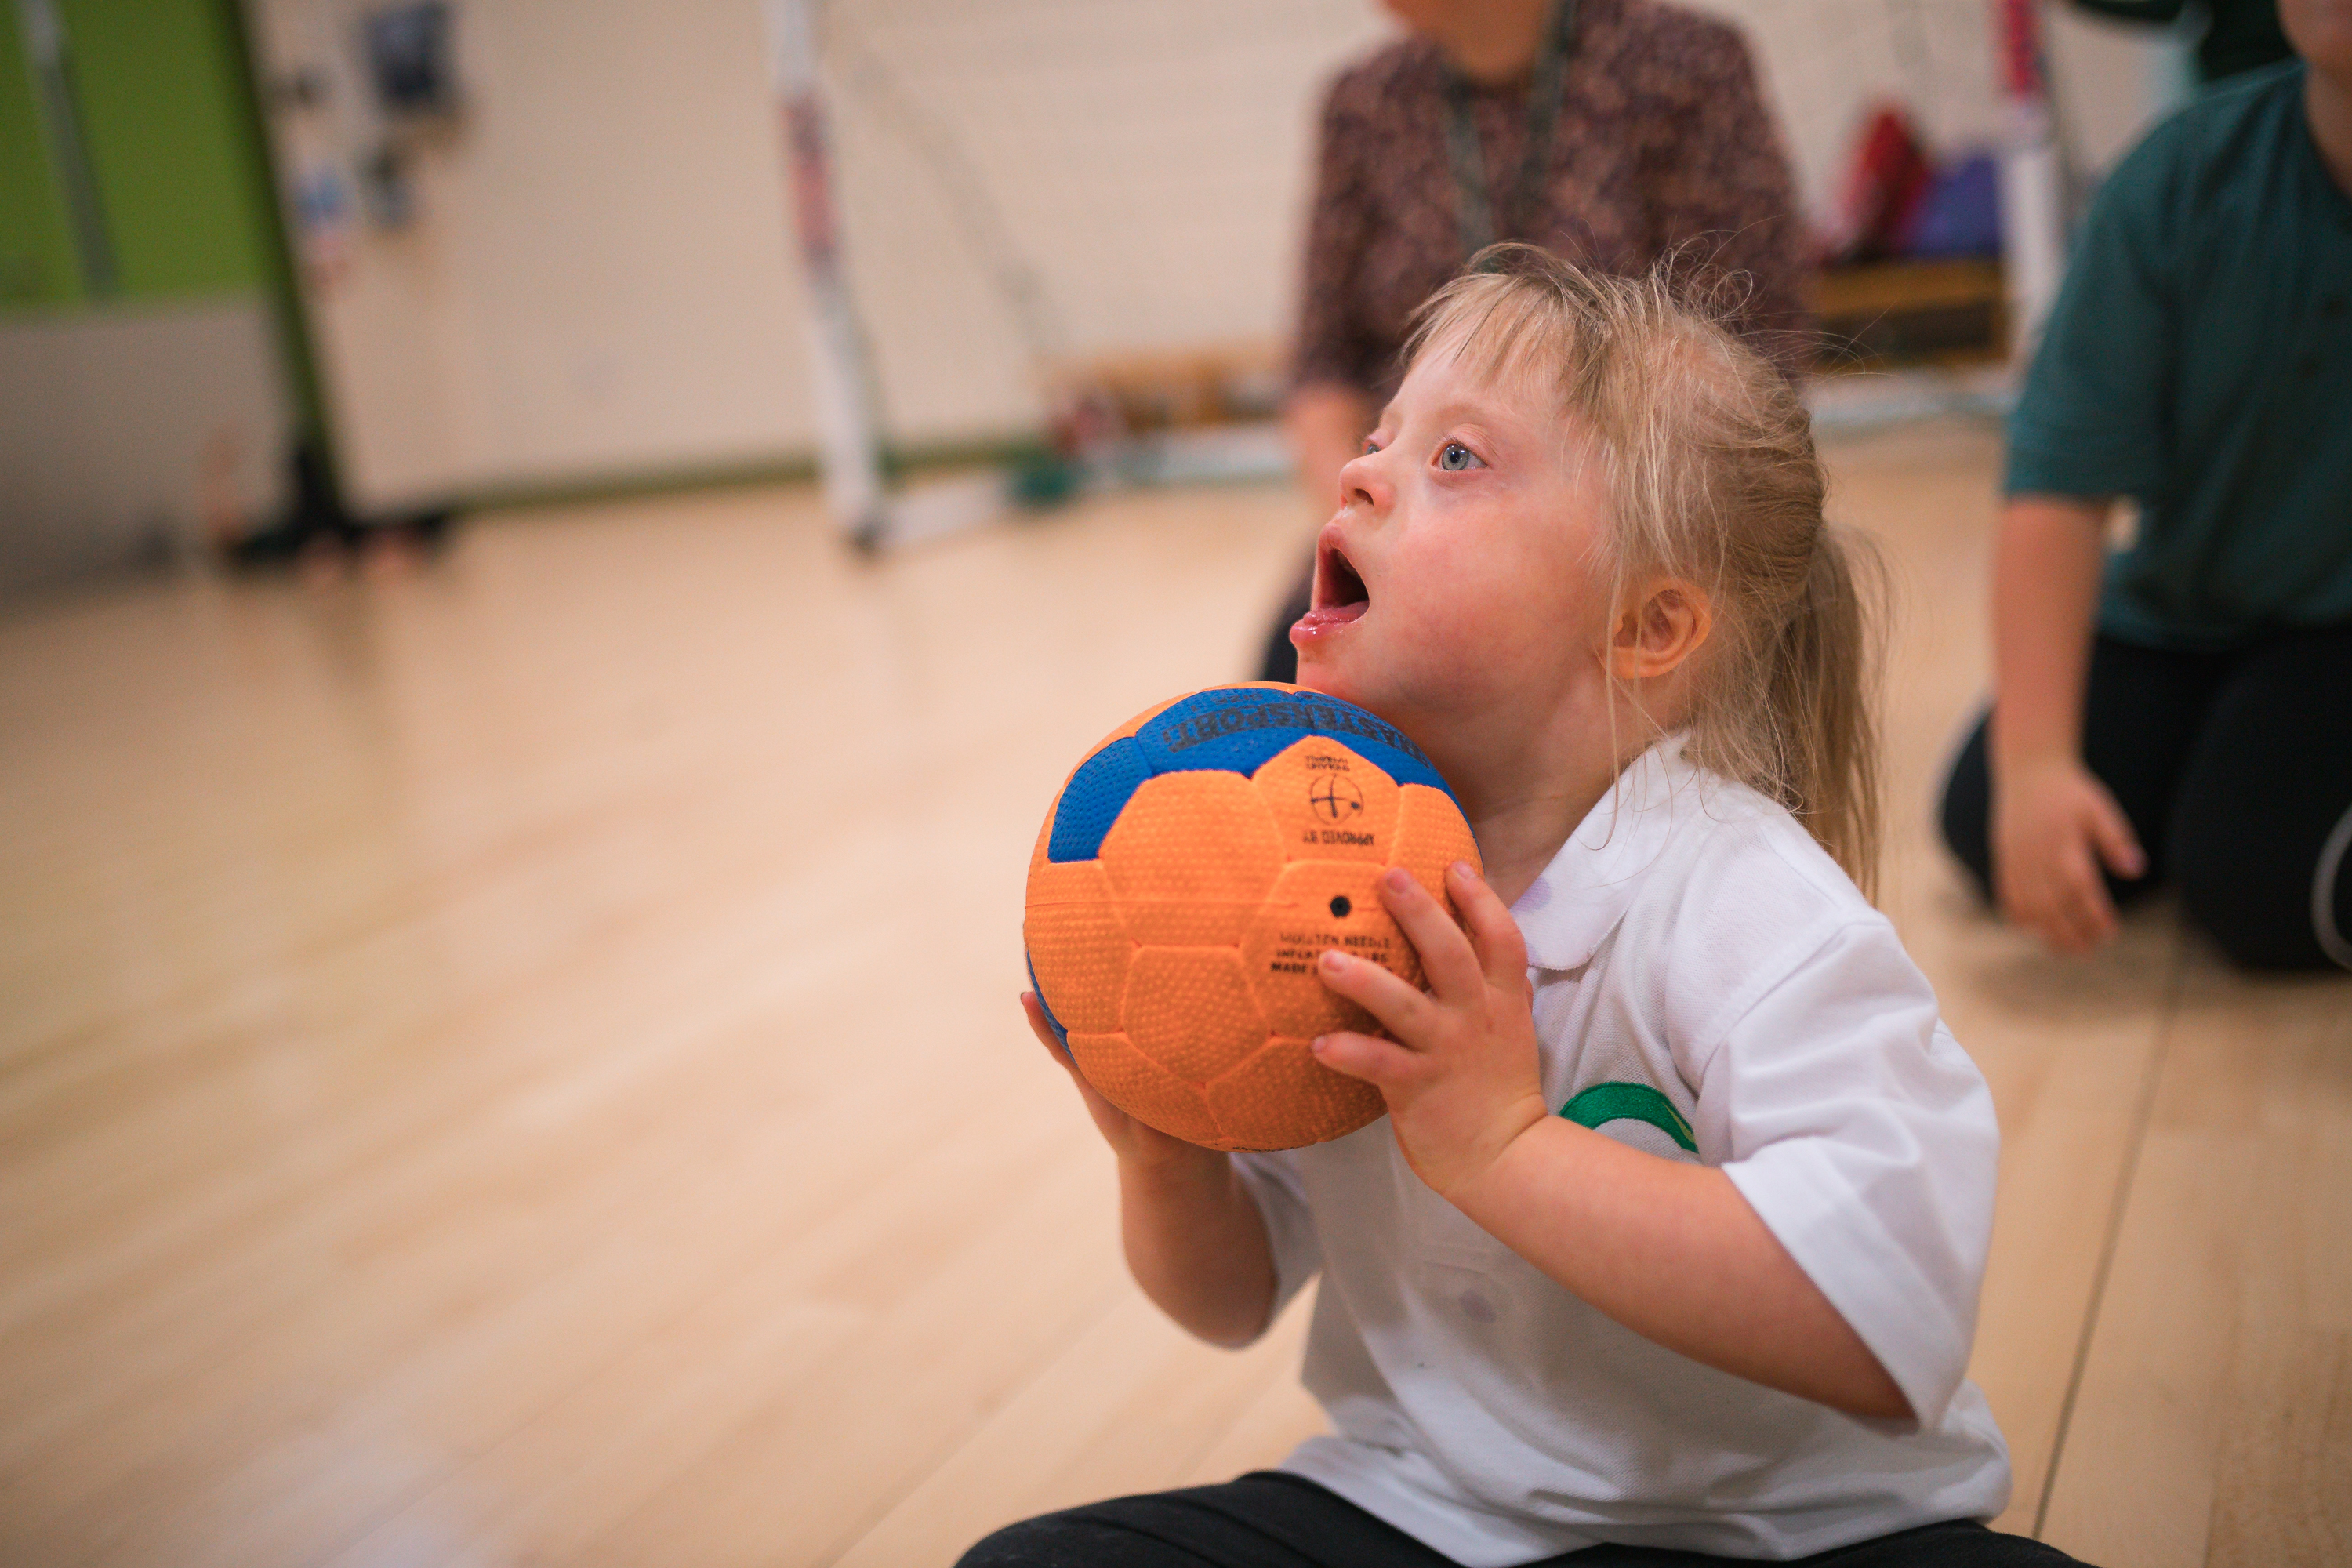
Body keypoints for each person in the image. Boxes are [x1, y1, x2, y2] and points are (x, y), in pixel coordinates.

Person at [966, 250, 2082, 1566]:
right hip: (1427, 1511)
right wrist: (1162, 1159)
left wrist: (1500, 1146)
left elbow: (1886, 1321)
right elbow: (1232, 1300)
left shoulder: (1740, 901)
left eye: (1455, 460)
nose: (1361, 472)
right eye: (1379, 437)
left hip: (1787, 1537)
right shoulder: (1314, 883)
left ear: (1647, 627)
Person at [1938, 0, 2352, 974]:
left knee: (2257, 882)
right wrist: (2037, 767)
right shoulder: (2181, 180)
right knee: (1985, 815)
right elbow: (2059, 487)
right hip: (2192, 605)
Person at [1257, 0, 1812, 684]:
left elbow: (1758, 356)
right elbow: (1322, 366)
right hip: (1420, 506)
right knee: (1294, 653)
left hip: (1620, 518)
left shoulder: (1682, 66)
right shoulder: (1364, 102)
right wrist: (1372, 529)